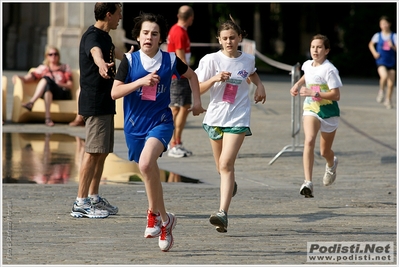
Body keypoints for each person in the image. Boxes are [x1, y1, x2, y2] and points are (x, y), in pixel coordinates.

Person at [111, 12, 205, 251]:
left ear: (161, 38)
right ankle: (164, 219)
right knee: (148, 170)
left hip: (161, 122)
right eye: (145, 33)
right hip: (134, 126)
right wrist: (140, 82)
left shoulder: (171, 60)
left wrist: (196, 102)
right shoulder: (129, 62)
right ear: (138, 36)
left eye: (154, 34)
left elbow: (192, 76)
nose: (149, 37)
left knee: (145, 165)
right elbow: (115, 92)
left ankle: (155, 215)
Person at [194, 17, 266, 233]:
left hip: (238, 118)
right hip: (215, 118)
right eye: (224, 38)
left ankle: (222, 213)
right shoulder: (210, 60)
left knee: (226, 164)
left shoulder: (248, 59)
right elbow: (197, 87)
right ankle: (230, 184)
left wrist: (260, 85)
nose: (229, 41)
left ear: (240, 38)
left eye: (232, 37)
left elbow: (251, 73)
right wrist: (214, 79)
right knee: (221, 167)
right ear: (219, 39)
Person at [70, 2, 125, 219]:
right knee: (92, 153)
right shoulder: (92, 36)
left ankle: (94, 197)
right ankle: (80, 202)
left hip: (105, 102)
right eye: (118, 14)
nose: (120, 18)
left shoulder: (106, 37)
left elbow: (117, 53)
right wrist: (102, 65)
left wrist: (136, 57)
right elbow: (96, 53)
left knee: (101, 152)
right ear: (109, 15)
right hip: (94, 103)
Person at [290, 34, 342, 198]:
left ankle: (331, 164)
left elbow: (336, 95)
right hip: (311, 108)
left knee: (324, 151)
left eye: (319, 47)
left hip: (329, 113)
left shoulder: (330, 69)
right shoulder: (307, 64)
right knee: (309, 140)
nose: (315, 50)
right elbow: (308, 75)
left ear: (326, 50)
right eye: (313, 47)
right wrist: (297, 84)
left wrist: (314, 92)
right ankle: (308, 182)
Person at [13, 45, 73, 127]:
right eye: (50, 54)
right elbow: (27, 78)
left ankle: (31, 103)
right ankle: (47, 118)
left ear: (59, 56)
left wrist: (58, 84)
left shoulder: (65, 67)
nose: (53, 56)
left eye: (56, 54)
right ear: (46, 56)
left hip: (61, 92)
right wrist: (17, 76)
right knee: (47, 86)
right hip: (48, 92)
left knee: (47, 79)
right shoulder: (43, 68)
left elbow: (70, 85)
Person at [166, 5, 195, 158]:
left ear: (178, 15)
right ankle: (174, 143)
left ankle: (175, 142)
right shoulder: (179, 32)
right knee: (182, 108)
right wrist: (190, 75)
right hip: (179, 76)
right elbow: (181, 58)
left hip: (176, 75)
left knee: (178, 109)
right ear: (191, 18)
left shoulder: (176, 30)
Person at [368, 16, 397, 109]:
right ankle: (381, 91)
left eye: (385, 23)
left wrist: (392, 46)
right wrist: (374, 53)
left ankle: (388, 100)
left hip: (391, 62)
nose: (384, 25)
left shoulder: (394, 36)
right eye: (382, 24)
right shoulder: (377, 35)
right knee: (383, 76)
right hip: (381, 60)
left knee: (391, 83)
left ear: (389, 24)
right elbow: (371, 44)